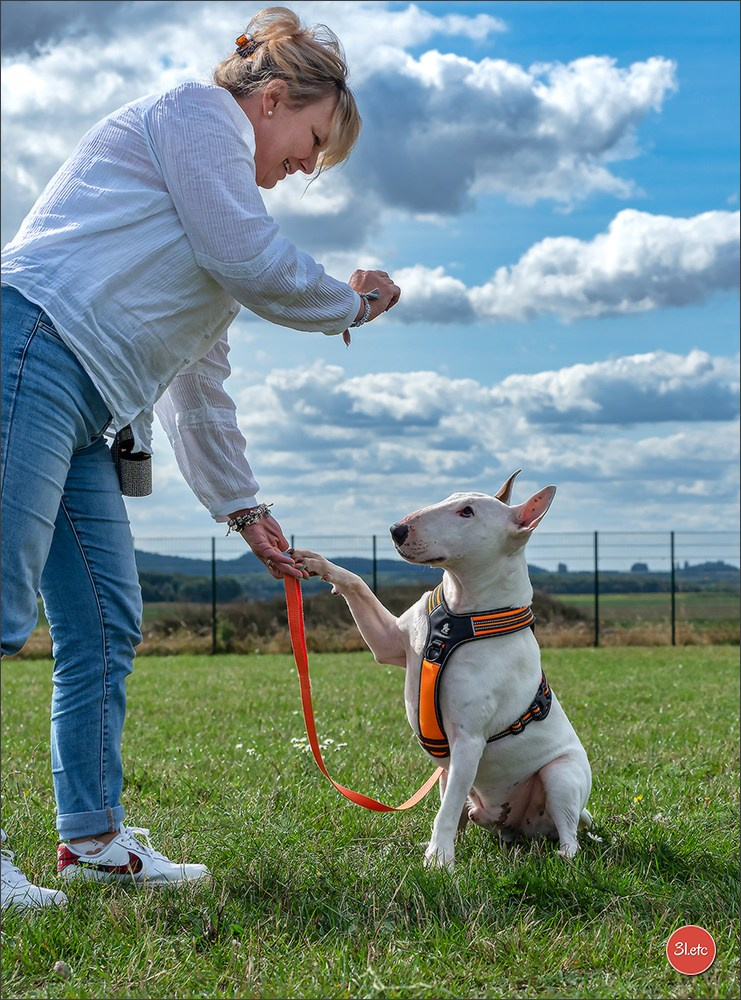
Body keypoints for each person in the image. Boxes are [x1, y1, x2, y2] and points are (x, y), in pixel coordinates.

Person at [0, 6, 401, 911]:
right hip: (27, 349)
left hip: (86, 411)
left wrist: (244, 510)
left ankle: (94, 841)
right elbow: (250, 259)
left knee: (104, 624)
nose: (303, 167)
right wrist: (352, 301)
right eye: (309, 142)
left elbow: (198, 385)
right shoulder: (193, 115)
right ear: (268, 100)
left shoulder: (222, 206)